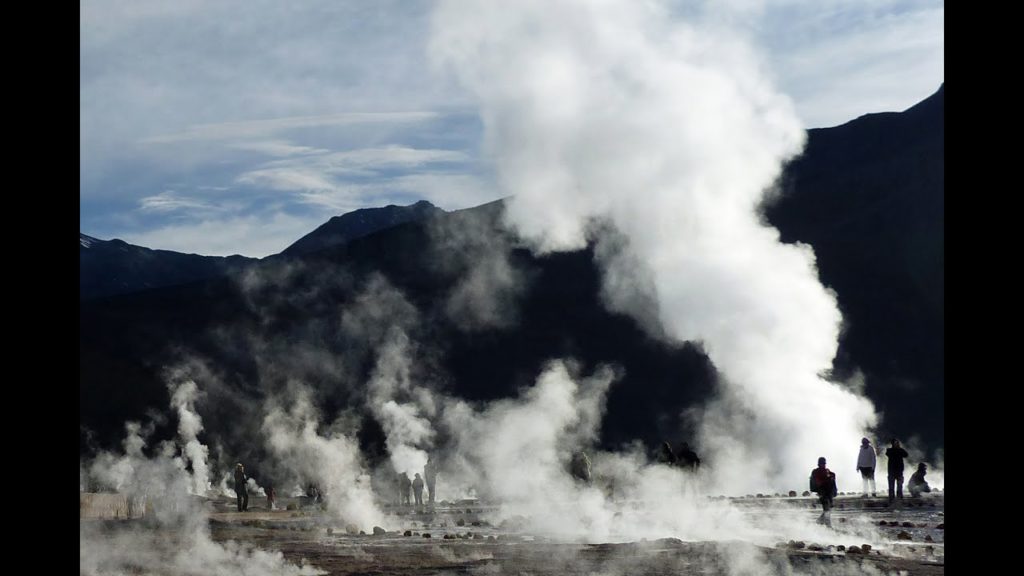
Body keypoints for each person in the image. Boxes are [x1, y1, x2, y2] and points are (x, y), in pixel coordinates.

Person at [809, 457, 837, 527]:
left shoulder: (826, 471)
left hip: (828, 493)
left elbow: (832, 475)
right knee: (827, 508)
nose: (823, 465)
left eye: (824, 463)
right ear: (819, 464)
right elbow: (818, 482)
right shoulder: (815, 471)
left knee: (828, 509)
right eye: (822, 463)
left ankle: (820, 521)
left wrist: (831, 477)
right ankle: (828, 525)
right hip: (822, 493)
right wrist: (827, 480)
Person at [885, 439, 909, 506]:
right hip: (891, 471)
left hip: (899, 471)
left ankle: (899, 499)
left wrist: (899, 448)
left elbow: (906, 455)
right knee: (891, 487)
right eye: (896, 443)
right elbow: (887, 454)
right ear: (893, 444)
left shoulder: (900, 450)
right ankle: (891, 500)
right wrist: (898, 449)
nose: (897, 444)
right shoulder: (889, 450)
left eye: (897, 443)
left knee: (899, 487)